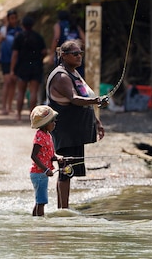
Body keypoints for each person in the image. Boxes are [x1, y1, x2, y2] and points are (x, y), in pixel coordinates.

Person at [46, 39, 107, 209]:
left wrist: (97, 122)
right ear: (64, 56)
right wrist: (98, 100)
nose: (79, 56)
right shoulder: (61, 76)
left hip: (74, 132)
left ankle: (64, 207)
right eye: (75, 54)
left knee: (69, 171)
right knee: (65, 171)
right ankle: (63, 210)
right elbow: (75, 99)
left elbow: (85, 97)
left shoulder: (73, 72)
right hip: (65, 132)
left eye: (81, 53)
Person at [10, 14, 48, 122]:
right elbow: (44, 51)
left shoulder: (19, 37)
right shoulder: (38, 37)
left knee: (21, 91)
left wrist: (12, 69)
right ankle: (32, 116)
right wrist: (39, 58)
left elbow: (14, 54)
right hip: (36, 66)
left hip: (22, 66)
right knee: (33, 92)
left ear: (22, 25)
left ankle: (18, 115)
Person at [28, 105, 62, 217]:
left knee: (40, 200)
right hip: (38, 173)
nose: (55, 123)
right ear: (44, 123)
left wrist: (58, 158)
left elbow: (50, 154)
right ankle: (40, 224)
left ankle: (35, 219)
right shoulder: (39, 136)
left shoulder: (48, 135)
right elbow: (34, 156)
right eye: (52, 121)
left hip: (42, 173)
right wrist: (46, 169)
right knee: (41, 201)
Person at [0, 9, 21, 115]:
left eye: (15, 18)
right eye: (11, 18)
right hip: (5, 59)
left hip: (16, 59)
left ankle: (10, 106)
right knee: (7, 82)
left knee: (13, 83)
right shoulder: (3, 29)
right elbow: (1, 37)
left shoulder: (19, 30)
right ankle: (3, 107)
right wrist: (6, 25)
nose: (13, 20)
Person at [51, 9, 86, 77]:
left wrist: (52, 53)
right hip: (76, 53)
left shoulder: (58, 25)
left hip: (65, 54)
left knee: (63, 74)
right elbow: (84, 39)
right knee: (78, 76)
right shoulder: (75, 26)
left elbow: (56, 38)